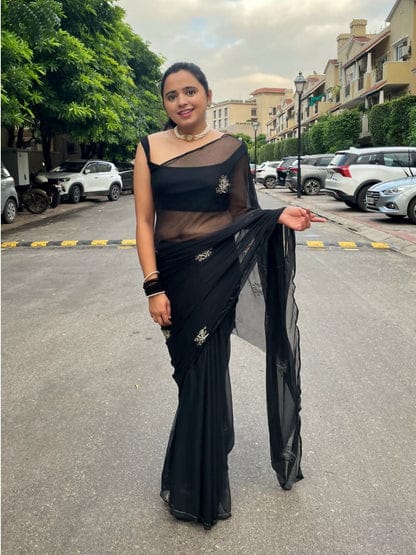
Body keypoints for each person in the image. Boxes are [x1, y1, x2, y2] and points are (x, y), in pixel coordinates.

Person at [134, 62, 325, 530]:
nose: (181, 101)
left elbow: (243, 214)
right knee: (188, 373)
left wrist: (278, 217)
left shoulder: (232, 148)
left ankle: (196, 484)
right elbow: (143, 222)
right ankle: (209, 444)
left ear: (207, 94)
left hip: (216, 274)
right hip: (173, 275)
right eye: (172, 95)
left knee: (208, 369)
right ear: (165, 103)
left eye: (190, 91)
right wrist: (153, 285)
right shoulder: (149, 148)